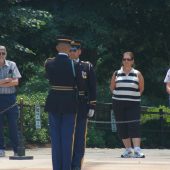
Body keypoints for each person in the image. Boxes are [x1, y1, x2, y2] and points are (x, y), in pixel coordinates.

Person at [44, 37, 78, 170]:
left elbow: (48, 78)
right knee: (67, 138)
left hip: (54, 101)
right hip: (69, 102)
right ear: (69, 49)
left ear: (57, 48)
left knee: (55, 138)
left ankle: (56, 167)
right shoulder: (73, 64)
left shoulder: (49, 63)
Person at [110, 51, 145, 158]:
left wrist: (131, 96)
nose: (126, 61)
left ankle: (137, 150)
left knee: (134, 125)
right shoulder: (116, 73)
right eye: (124, 59)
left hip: (133, 103)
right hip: (118, 103)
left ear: (132, 61)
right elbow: (112, 88)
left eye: (128, 59)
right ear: (122, 60)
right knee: (122, 126)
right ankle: (128, 150)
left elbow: (141, 88)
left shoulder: (137, 73)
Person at [69, 40, 96, 170]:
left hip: (82, 103)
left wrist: (92, 105)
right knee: (68, 136)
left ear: (79, 51)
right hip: (67, 103)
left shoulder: (87, 66)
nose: (71, 52)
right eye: (70, 50)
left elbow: (92, 87)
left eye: (74, 50)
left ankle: (77, 165)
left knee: (80, 136)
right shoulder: (65, 65)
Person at [0, 45, 21, 157]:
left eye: (3, 53)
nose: (1, 55)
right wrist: (6, 80)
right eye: (0, 53)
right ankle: (0, 149)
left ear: (6, 54)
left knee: (13, 125)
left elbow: (16, 82)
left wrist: (2, 82)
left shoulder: (12, 64)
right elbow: (11, 81)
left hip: (10, 98)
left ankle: (16, 150)